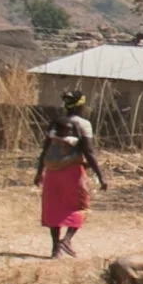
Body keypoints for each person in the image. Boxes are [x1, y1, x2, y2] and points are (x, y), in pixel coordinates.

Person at [34, 92, 108, 258]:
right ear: (81, 106)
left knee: (54, 209)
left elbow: (45, 149)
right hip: (72, 172)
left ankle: (55, 250)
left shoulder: (55, 123)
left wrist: (39, 172)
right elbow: (89, 152)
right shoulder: (84, 124)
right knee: (80, 207)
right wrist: (100, 176)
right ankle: (66, 240)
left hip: (52, 172)